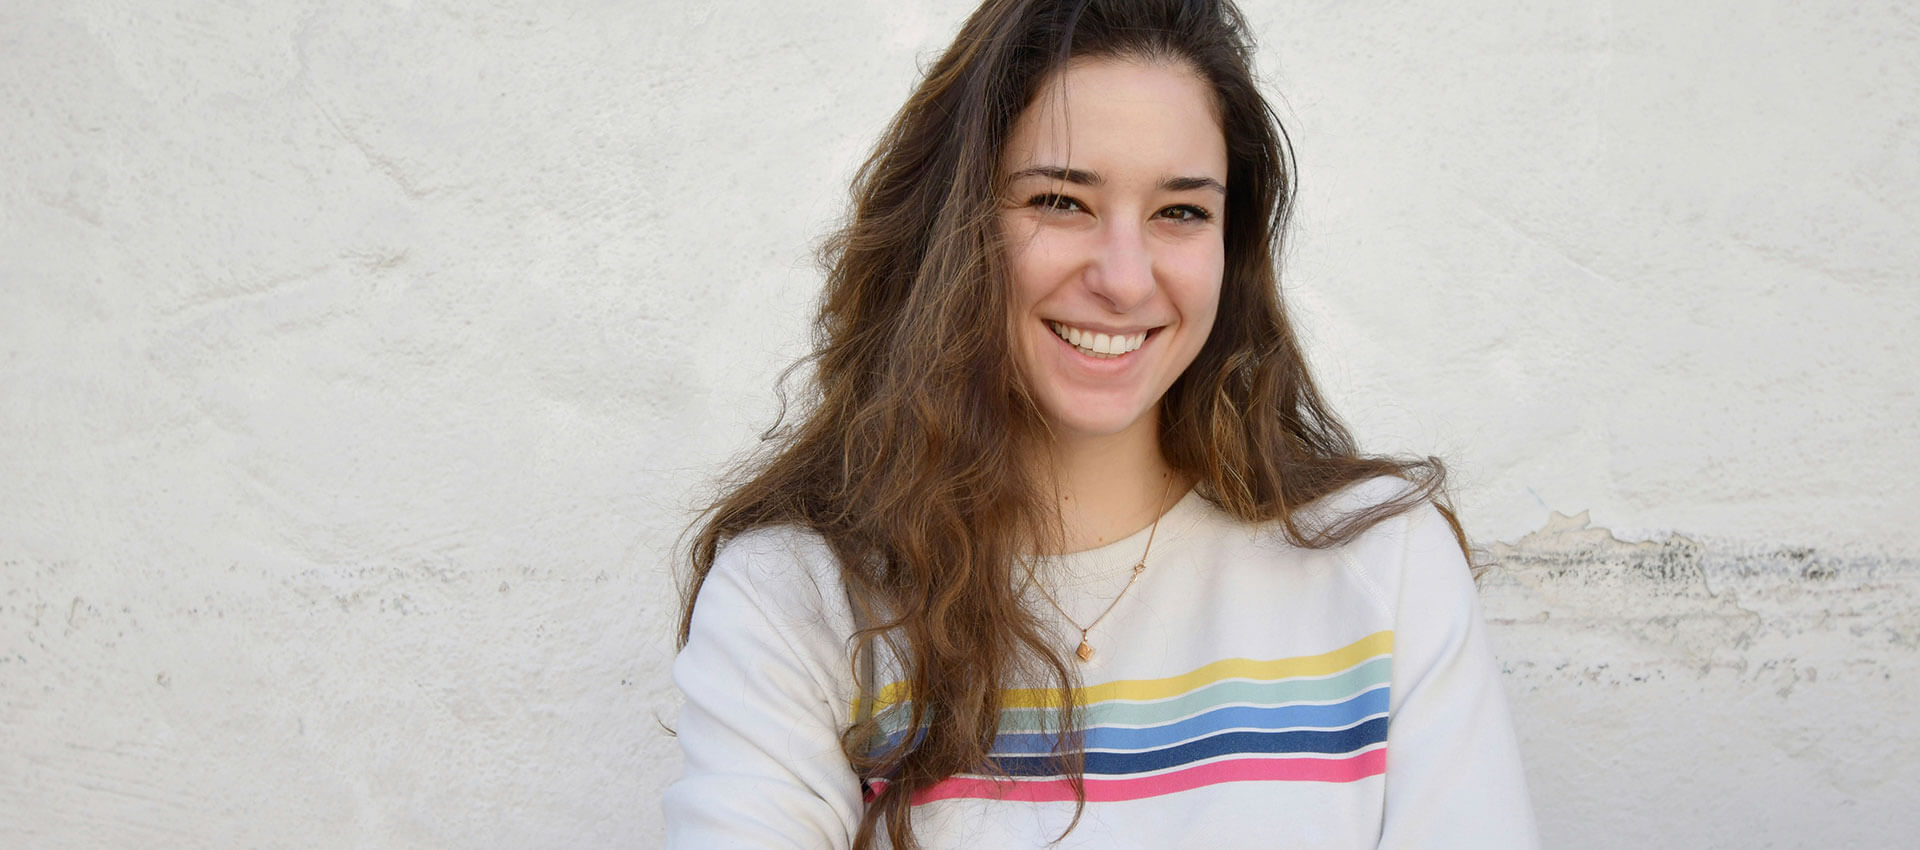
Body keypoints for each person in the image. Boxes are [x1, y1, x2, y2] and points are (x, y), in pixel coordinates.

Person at [663, 1, 1538, 847]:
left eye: (1181, 212)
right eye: (1060, 201)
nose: (1124, 279)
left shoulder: (1383, 570)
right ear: (949, 226)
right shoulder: (799, 600)